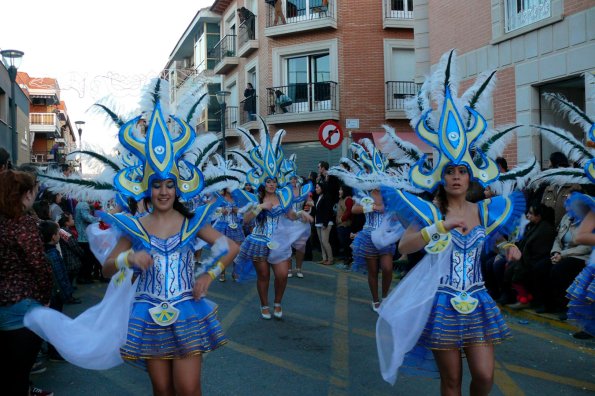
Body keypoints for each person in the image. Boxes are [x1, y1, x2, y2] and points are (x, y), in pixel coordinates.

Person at [23, 80, 240, 395]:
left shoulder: (191, 223)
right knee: (162, 390)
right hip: (148, 313)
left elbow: (229, 247)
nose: (163, 192)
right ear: (147, 189)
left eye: (169, 185)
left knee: (190, 389)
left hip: (187, 309)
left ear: (177, 187)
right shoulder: (134, 226)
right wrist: (130, 258)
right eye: (157, 185)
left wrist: (208, 274)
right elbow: (109, 267)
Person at [375, 50, 524, 394]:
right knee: (452, 381)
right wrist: (438, 228)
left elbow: (494, 238)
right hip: (442, 302)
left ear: (470, 177)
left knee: (485, 377)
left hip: (477, 299)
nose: (456, 177)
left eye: (462, 172)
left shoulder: (484, 212)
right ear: (441, 177)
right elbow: (403, 246)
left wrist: (507, 245)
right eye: (451, 172)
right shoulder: (430, 213)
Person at [234, 127, 313, 320]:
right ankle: (264, 305)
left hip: (280, 241)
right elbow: (245, 220)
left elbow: (291, 215)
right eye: (269, 182)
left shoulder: (285, 197)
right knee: (263, 276)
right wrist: (261, 206)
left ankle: (277, 302)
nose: (272, 184)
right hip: (259, 240)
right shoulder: (255, 198)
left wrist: (302, 214)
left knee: (282, 275)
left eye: (274, 181)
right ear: (263, 183)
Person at [0, 170, 53, 396]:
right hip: (23, 304)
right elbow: (39, 265)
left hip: (4, 303)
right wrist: (46, 297)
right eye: (34, 190)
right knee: (19, 375)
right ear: (25, 194)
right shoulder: (23, 223)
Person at [503, 203, 556, 309]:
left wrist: (521, 259)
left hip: (535, 260)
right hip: (527, 258)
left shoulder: (545, 230)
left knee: (517, 269)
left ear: (539, 216)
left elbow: (538, 251)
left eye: (531, 213)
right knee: (506, 265)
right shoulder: (534, 226)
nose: (527, 215)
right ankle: (516, 297)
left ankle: (525, 300)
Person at [212, 188, 245, 281]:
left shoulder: (237, 198)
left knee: (237, 250)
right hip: (222, 226)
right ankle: (222, 273)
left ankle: (235, 272)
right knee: (223, 251)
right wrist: (221, 211)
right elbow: (212, 210)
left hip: (235, 226)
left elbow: (243, 211)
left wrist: (237, 210)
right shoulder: (219, 197)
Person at [288, 174, 314, 278]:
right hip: (289, 221)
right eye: (291, 178)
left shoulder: (303, 191)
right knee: (288, 246)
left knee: (301, 247)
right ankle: (289, 268)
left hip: (301, 222)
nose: (293, 180)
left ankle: (298, 268)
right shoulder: (285, 192)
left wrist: (310, 204)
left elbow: (310, 201)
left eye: (295, 178)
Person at [75, 200, 101, 284]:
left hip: (83, 236)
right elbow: (86, 217)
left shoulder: (81, 204)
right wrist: (100, 219)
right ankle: (84, 278)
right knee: (88, 259)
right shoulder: (83, 205)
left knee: (88, 259)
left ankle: (86, 277)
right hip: (84, 237)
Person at [313, 181, 334, 265]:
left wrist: (325, 223)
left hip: (326, 222)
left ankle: (330, 259)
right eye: (316, 187)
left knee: (325, 241)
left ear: (322, 188)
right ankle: (324, 258)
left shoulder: (327, 197)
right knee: (321, 242)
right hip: (318, 222)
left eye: (318, 187)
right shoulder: (319, 197)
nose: (316, 189)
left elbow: (328, 211)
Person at [336, 185, 354, 268]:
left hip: (345, 226)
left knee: (346, 245)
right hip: (340, 225)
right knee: (343, 244)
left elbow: (348, 212)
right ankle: (346, 261)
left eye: (341, 189)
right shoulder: (341, 199)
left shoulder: (348, 199)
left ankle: (348, 261)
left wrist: (341, 219)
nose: (339, 191)